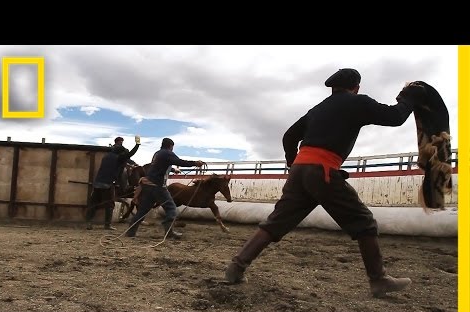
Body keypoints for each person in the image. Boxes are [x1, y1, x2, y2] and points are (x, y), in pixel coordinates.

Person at [224, 68, 427, 298]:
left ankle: (236, 268)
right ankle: (378, 280)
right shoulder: (358, 102)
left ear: (333, 88)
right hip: (323, 171)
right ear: (356, 87)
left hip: (300, 172)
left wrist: (293, 164)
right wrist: (409, 97)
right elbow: (395, 117)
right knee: (364, 222)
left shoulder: (317, 108)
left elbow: (289, 136)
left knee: (274, 223)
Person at [125, 137, 204, 239]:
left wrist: (172, 170)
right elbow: (180, 162)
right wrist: (195, 163)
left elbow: (160, 166)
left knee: (143, 210)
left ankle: (131, 232)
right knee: (171, 208)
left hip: (148, 185)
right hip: (158, 186)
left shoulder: (157, 154)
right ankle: (169, 232)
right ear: (171, 146)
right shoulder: (167, 153)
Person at [85, 135, 141, 230]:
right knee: (110, 205)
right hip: (108, 184)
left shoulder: (106, 157)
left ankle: (89, 223)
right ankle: (107, 225)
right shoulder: (118, 158)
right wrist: (137, 144)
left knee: (94, 203)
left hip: (97, 183)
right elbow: (130, 154)